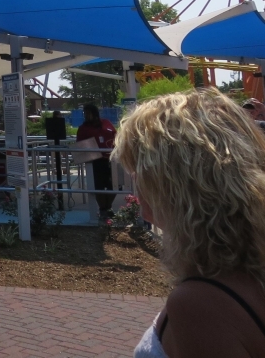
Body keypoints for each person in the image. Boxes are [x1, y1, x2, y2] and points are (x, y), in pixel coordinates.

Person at [115, 89, 265, 358]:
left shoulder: (201, 303)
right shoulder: (251, 269)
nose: (135, 181)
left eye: (140, 168)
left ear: (176, 185)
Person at [76, 103, 117, 216]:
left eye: (88, 113)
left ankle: (108, 206)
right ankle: (103, 209)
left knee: (114, 185)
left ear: (94, 114)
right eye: (85, 113)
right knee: (98, 186)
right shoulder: (83, 128)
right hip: (95, 161)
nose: (86, 115)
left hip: (111, 159)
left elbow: (116, 135)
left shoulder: (106, 123)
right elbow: (79, 145)